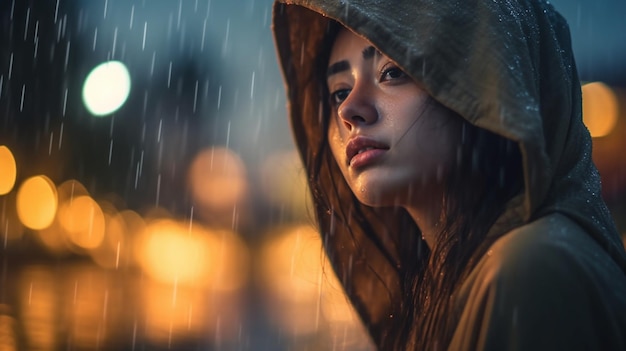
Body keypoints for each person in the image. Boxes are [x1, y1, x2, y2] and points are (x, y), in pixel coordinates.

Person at [272, 0, 626, 350]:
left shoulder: (532, 269)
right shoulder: (454, 280)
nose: (350, 109)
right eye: (339, 92)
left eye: (392, 71)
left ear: (489, 86)